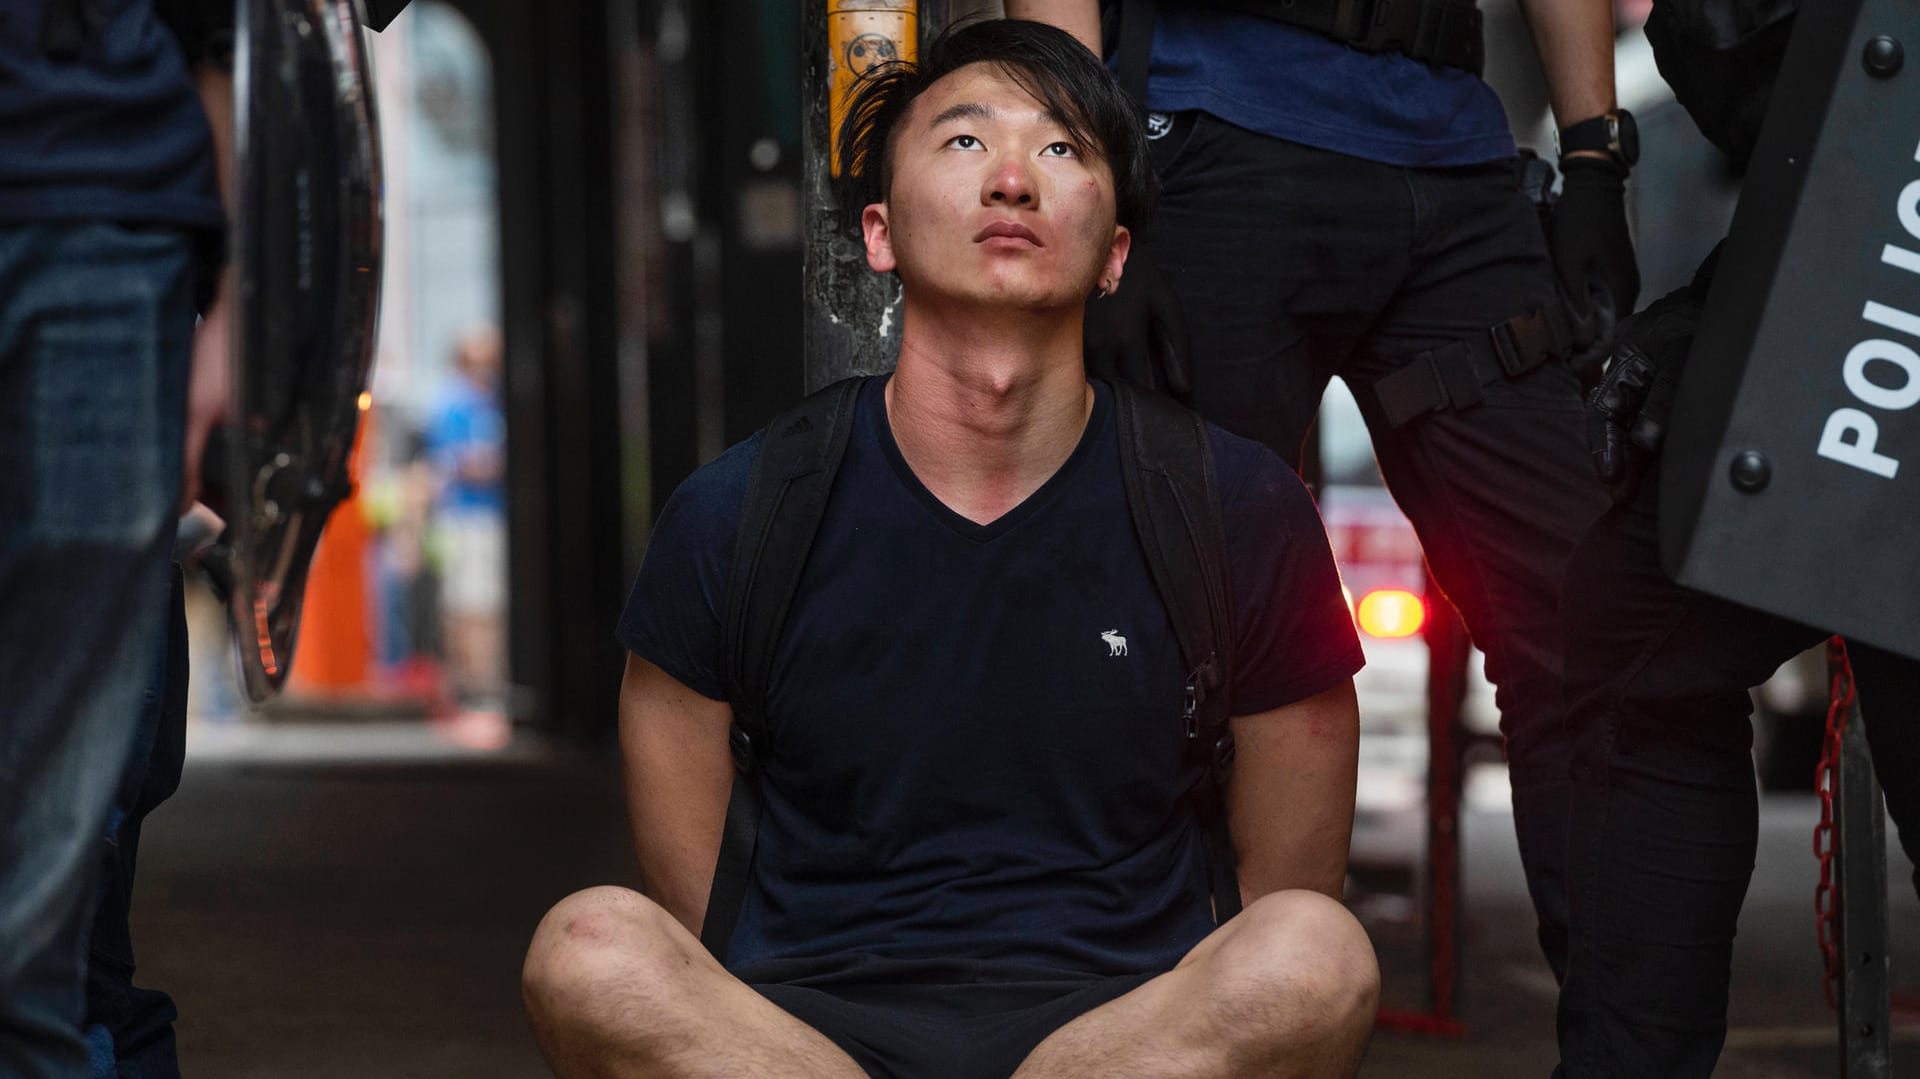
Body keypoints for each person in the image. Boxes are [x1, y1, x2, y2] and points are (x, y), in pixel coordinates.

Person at [521, 19, 1379, 1079]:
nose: (1013, 179)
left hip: (1127, 1039)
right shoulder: (739, 510)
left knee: (1317, 953)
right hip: (807, 1041)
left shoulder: (1235, 506)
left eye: (1062, 148)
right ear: (878, 233)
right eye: (966, 142)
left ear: (1114, 255)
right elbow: (699, 890)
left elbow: (1289, 876)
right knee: (588, 945)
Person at [1008, 0, 1632, 986]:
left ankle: (1628, 1051)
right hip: (1211, 136)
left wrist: (1596, 154)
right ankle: (1143, 1024)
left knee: (1593, 623)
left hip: (1459, 157)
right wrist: (1087, 181)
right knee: (1167, 640)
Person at [1562, 0, 1920, 1072]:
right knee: (1639, 633)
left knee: (1637, 641)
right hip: (1855, 261)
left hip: (1866, 264)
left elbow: (1749, 65)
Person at [0, 0, 231, 1072]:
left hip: (99, 206)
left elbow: (235, 31)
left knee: (49, 911)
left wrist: (236, 307)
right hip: (104, 216)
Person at [426, 325, 509, 713]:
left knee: (488, 605)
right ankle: (472, 689)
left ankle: (485, 684)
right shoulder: (452, 403)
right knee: (468, 604)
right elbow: (453, 462)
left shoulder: (494, 399)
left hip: (491, 515)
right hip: (464, 517)